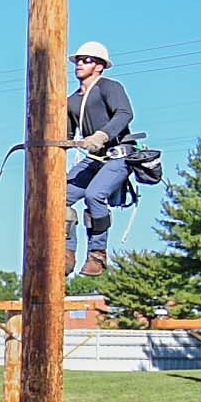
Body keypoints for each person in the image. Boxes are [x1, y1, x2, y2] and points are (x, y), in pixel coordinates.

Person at [65, 40, 135, 277]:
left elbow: (125, 113)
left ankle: (97, 253)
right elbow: (66, 135)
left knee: (95, 194)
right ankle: (66, 251)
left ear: (100, 66)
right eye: (79, 60)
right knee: (58, 197)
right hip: (94, 158)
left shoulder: (109, 87)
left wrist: (102, 135)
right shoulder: (72, 100)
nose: (80, 64)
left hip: (118, 155)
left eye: (87, 60)